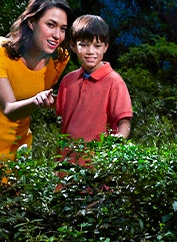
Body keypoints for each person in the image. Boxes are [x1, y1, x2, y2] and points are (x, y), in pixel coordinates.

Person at [0, 0, 71, 173]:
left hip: (19, 143)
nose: (57, 35)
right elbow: (9, 109)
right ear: (31, 22)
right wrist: (37, 101)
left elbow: (44, 98)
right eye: (50, 25)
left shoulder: (59, 59)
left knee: (16, 200)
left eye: (63, 28)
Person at [55, 14, 133, 145]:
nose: (90, 51)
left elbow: (124, 120)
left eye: (97, 46)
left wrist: (118, 140)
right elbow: (66, 110)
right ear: (73, 46)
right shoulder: (68, 81)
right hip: (66, 160)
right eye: (84, 45)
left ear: (105, 47)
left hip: (98, 162)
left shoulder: (114, 81)